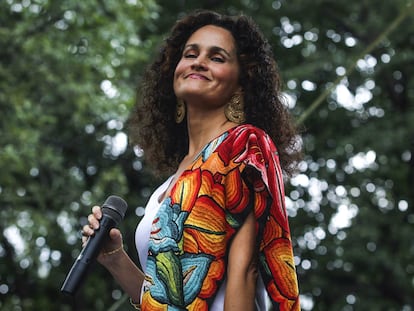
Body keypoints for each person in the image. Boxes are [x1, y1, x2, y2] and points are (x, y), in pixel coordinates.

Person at [82, 10, 301, 311]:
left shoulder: (243, 146)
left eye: (217, 57)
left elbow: (245, 271)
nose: (199, 62)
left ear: (241, 81)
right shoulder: (166, 189)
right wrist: (115, 258)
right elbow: (164, 300)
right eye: (191, 54)